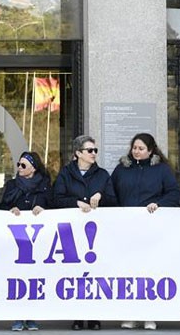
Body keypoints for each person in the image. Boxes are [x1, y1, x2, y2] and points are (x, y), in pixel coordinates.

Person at [111, 132, 180, 331]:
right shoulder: (121, 170)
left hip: (152, 229)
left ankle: (151, 314)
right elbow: (112, 194)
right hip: (126, 230)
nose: (137, 152)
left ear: (151, 150)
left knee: (150, 272)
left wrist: (158, 204)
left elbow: (174, 194)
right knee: (129, 272)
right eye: (134, 148)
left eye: (141, 149)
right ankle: (130, 315)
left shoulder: (162, 170)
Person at [52, 135, 115, 331]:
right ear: (78, 153)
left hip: (96, 234)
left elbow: (114, 200)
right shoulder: (65, 174)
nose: (94, 153)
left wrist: (100, 195)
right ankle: (77, 315)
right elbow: (56, 199)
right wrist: (76, 202)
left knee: (96, 273)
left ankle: (94, 315)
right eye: (90, 150)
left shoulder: (103, 175)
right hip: (73, 233)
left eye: (95, 150)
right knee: (75, 274)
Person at [0, 151, 51, 331]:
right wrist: (10, 209)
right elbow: (2, 206)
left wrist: (42, 207)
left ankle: (32, 316)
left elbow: (52, 205)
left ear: (33, 168)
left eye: (23, 165)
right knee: (17, 277)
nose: (19, 168)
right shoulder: (12, 185)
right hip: (16, 239)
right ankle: (18, 316)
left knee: (34, 277)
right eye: (18, 165)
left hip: (38, 239)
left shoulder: (45, 185)